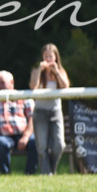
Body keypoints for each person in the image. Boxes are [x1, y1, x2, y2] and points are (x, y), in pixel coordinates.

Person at [29, 44, 69, 174]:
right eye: (45, 56)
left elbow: (65, 86)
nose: (48, 59)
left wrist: (56, 71)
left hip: (55, 111)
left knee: (59, 145)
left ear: (56, 57)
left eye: (50, 56)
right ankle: (47, 174)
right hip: (40, 111)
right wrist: (39, 71)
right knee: (42, 147)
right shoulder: (36, 71)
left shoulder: (60, 71)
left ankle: (51, 169)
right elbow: (32, 86)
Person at [0, 70, 38, 175]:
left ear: (12, 82)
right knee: (0, 143)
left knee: (35, 142)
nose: (0, 86)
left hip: (23, 134)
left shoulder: (24, 96)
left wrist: (25, 137)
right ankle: (6, 174)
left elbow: (32, 118)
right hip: (4, 137)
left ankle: (29, 174)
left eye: (2, 82)